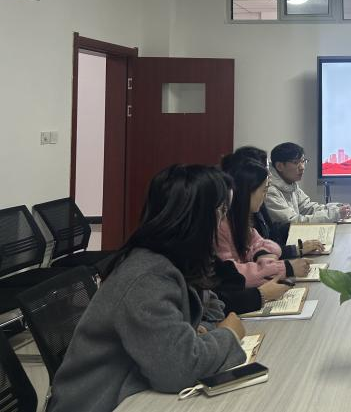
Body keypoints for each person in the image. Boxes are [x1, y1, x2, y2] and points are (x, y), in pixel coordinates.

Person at [47, 165, 247, 412]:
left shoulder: (174, 259)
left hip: (131, 392)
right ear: (198, 219)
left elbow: (211, 306)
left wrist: (200, 331)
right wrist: (229, 334)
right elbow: (179, 369)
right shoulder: (147, 277)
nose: (224, 222)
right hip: (100, 403)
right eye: (221, 211)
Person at [217, 157, 315, 286]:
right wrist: (286, 268)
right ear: (247, 192)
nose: (265, 196)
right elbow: (233, 274)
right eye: (264, 190)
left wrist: (265, 257)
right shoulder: (222, 225)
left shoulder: (241, 219)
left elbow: (259, 243)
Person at [266, 142, 351, 224]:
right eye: (296, 162)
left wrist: (337, 207)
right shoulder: (269, 191)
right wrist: (334, 214)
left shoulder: (290, 184)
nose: (302, 167)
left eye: (303, 161)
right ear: (279, 166)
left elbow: (309, 208)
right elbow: (293, 222)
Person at [223, 145, 289, 245]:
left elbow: (269, 234)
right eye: (266, 169)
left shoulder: (254, 202)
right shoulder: (230, 221)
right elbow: (259, 248)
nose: (270, 175)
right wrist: (297, 249)